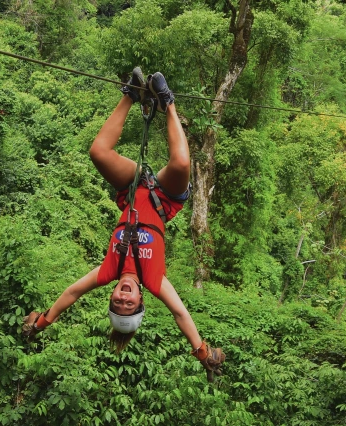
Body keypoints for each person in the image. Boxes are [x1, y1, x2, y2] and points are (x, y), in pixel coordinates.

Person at [22, 68, 225, 381]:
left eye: (118, 304)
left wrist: (42, 323)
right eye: (129, 305)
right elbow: (180, 313)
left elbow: (72, 292)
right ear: (140, 301)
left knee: (98, 153)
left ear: (112, 297)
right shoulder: (155, 280)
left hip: (132, 188)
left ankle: (130, 94)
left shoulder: (108, 272)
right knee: (182, 163)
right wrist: (203, 353)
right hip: (165, 199)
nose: (123, 299)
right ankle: (167, 104)